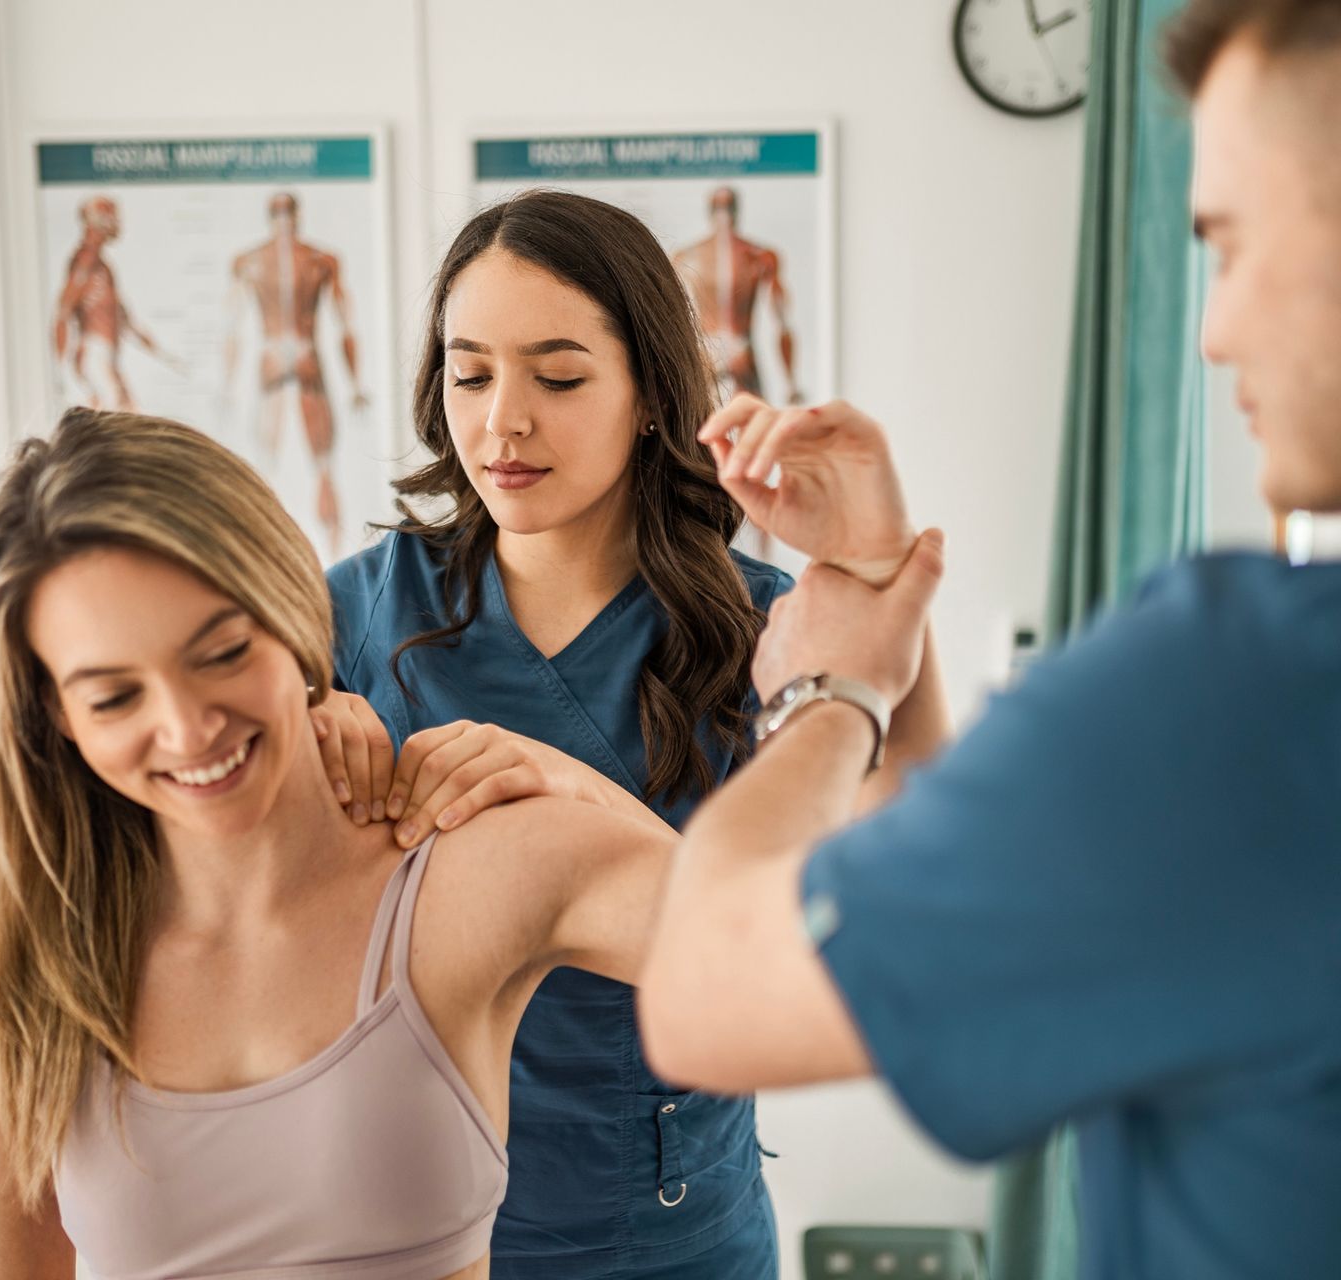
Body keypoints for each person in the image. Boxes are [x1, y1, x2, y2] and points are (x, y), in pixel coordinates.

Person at [637, 2, 1341, 1277]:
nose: (1216, 329)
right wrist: (881, 592)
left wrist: (830, 690)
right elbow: (1024, 883)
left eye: (1231, 242)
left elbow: (708, 989)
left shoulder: (1280, 691)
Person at [316, 189, 950, 1278]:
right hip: (422, 1221)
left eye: (557, 376)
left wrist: (875, 574)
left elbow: (915, 863)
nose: (502, 421)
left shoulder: (762, 619)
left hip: (680, 1226)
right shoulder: (355, 614)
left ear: (652, 394)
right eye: (470, 373)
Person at [0, 408, 674, 1280]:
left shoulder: (467, 871)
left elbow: (807, 954)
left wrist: (579, 783)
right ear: (54, 716)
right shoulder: (17, 963)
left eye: (220, 654)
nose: (187, 729)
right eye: (113, 698)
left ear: (292, 615)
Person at [225, 191, 371, 558]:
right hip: (302, 354)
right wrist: (355, 385)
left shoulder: (252, 261)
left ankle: (328, 557)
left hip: (276, 356)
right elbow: (345, 326)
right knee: (303, 464)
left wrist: (226, 388)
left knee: (295, 465)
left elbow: (234, 330)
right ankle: (328, 558)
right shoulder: (318, 259)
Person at [670, 186, 801, 404]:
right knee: (725, 424)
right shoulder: (757, 255)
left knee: (728, 425)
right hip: (727, 351)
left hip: (717, 351)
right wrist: (790, 383)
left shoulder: (687, 256)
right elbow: (782, 322)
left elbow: (782, 322)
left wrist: (790, 382)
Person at [52, 196, 175, 411]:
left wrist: (161, 354)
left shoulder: (102, 267)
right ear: (95, 220)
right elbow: (63, 312)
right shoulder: (85, 262)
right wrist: (60, 371)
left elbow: (125, 319)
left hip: (104, 357)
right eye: (110, 215)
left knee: (128, 414)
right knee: (121, 420)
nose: (117, 222)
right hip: (94, 354)